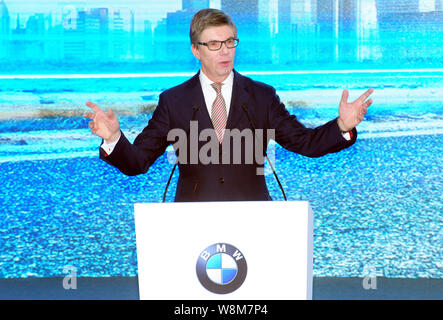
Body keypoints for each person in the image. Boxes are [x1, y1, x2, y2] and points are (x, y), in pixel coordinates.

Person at [84, 8, 373, 202]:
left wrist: (342, 126)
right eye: (214, 44)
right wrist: (113, 138)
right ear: (195, 50)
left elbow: (306, 143)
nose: (225, 51)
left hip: (253, 216)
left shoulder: (261, 96)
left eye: (230, 42)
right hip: (192, 219)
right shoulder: (174, 101)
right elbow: (138, 162)